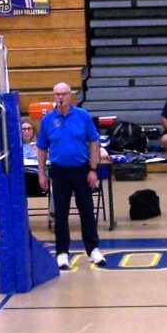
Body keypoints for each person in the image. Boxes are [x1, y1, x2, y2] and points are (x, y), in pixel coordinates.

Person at [36, 82, 106, 270]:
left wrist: (93, 169)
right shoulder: (47, 120)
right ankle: (62, 253)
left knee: (86, 211)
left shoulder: (82, 116)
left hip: (81, 169)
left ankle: (93, 249)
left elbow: (93, 142)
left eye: (63, 94)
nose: (60, 98)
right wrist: (41, 172)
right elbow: (42, 148)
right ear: (53, 96)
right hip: (59, 171)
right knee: (60, 213)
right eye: (57, 94)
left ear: (70, 95)